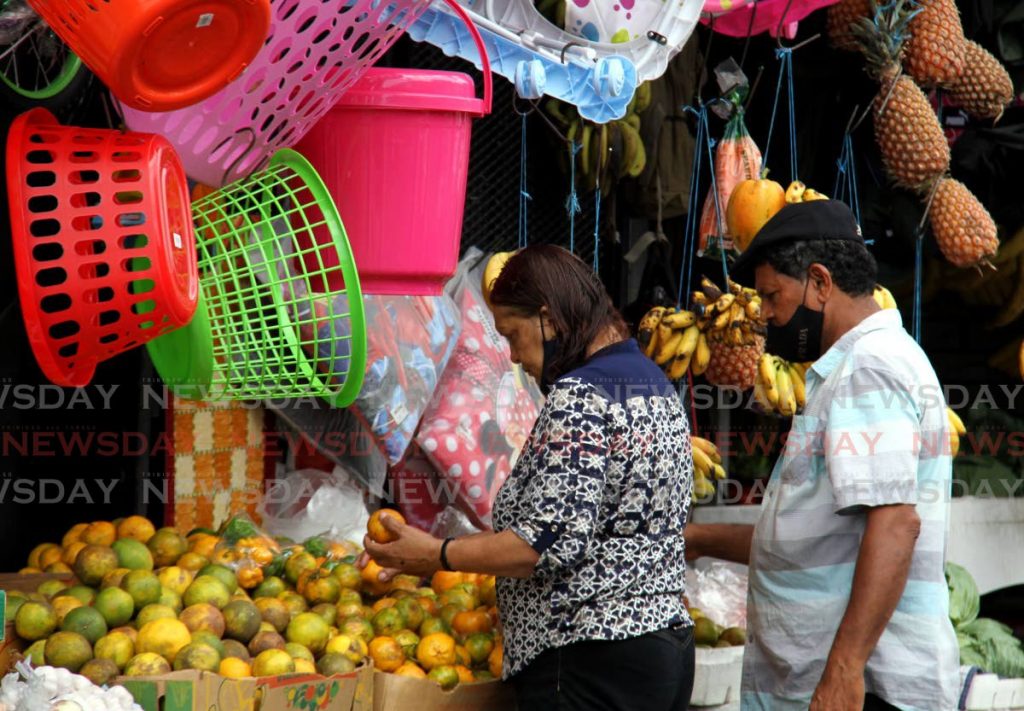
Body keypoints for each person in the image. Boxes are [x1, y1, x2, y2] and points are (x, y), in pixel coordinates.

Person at [360, 244, 696, 710]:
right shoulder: (652, 383)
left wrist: (437, 554)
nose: (515, 357)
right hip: (662, 650)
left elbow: (541, 543)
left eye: (513, 335)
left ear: (548, 317)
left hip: (590, 661)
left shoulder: (579, 396)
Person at [686, 200, 959, 710]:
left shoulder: (867, 369)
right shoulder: (858, 367)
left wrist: (844, 670)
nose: (765, 314)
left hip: (864, 690)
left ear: (819, 281)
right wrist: (699, 539)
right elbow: (817, 543)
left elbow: (895, 523)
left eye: (772, 296)